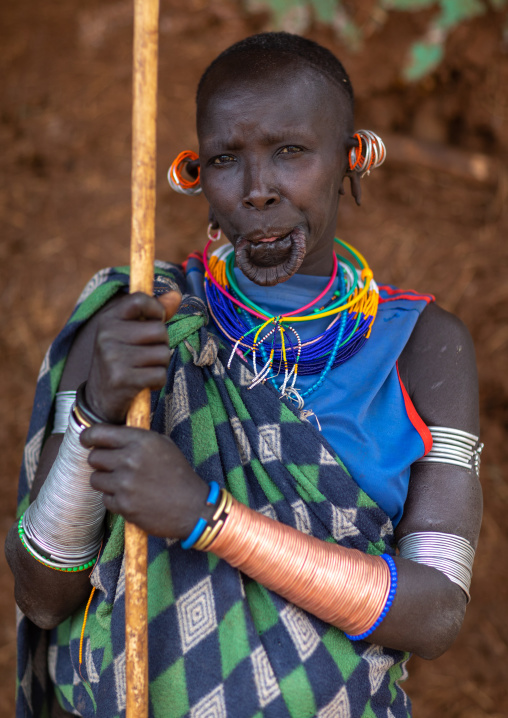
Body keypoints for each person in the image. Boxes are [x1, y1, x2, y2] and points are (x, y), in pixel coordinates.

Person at [6, 32, 482, 718]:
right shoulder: (139, 325)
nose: (258, 191)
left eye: (290, 152)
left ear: (351, 160)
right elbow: (43, 597)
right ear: (197, 176)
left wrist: (209, 518)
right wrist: (94, 412)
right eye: (228, 159)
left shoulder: (423, 346)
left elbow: (435, 612)